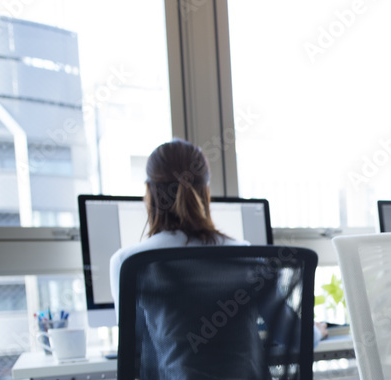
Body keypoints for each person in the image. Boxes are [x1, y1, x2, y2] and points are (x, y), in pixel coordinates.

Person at [109, 139, 326, 344]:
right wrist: (316, 331)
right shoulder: (248, 257)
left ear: (149, 193)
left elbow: (134, 349)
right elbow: (294, 337)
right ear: (205, 191)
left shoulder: (129, 263)